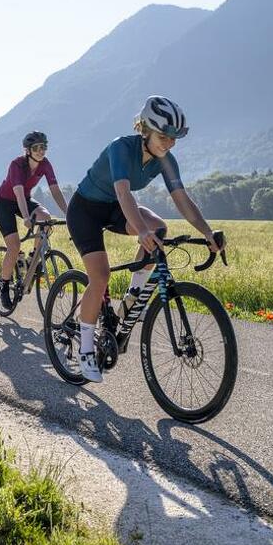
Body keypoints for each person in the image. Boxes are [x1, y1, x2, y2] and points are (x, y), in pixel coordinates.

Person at [66, 96, 224, 383]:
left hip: (114, 209)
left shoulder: (165, 160)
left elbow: (182, 199)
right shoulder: (120, 148)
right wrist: (140, 231)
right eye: (164, 136)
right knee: (99, 277)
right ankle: (86, 349)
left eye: (174, 138)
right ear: (145, 129)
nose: (169, 143)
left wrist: (207, 232)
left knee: (159, 227)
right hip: (85, 210)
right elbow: (125, 194)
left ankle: (132, 295)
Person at [0, 131, 68, 309]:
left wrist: (68, 213)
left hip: (23, 200)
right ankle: (4, 285)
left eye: (44, 147)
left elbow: (55, 190)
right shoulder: (17, 165)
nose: (41, 151)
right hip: (5, 203)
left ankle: (33, 260)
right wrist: (26, 217)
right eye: (36, 148)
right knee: (14, 246)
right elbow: (18, 193)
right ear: (28, 150)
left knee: (46, 218)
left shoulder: (45, 164)